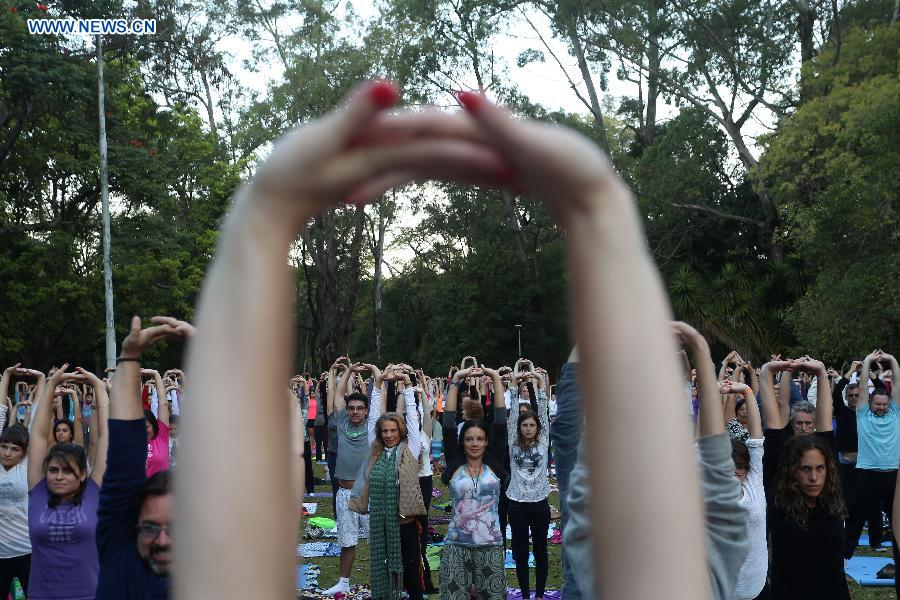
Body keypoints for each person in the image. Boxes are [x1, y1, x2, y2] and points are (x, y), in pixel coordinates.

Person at [178, 81, 712, 599]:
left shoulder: (490, 453)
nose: (478, 437)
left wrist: (263, 217)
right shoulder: (453, 453)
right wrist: (601, 211)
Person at [95, 316, 190, 599]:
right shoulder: (118, 550)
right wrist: (129, 357)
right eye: (150, 527)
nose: (162, 541)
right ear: (132, 527)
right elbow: (124, 451)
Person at [760, 357, 848, 599]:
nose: (814, 477)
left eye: (820, 469)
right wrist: (767, 373)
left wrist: (821, 374)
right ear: (791, 472)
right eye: (805, 469)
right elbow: (774, 424)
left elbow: (826, 428)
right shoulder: (779, 498)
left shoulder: (831, 496)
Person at [26, 364, 109, 600]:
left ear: (83, 474)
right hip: (42, 595)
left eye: (67, 471)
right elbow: (39, 436)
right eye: (53, 470)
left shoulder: (93, 491)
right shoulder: (39, 491)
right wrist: (51, 385)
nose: (58, 476)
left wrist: (99, 388)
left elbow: (104, 437)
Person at [349, 365, 425, 600]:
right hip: (381, 523)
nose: (389, 435)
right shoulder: (376, 451)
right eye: (385, 431)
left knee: (412, 574)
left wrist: (409, 386)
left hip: (405, 524)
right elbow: (374, 417)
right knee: (383, 570)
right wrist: (378, 384)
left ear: (400, 432)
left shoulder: (410, 450)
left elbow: (413, 419)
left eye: (393, 431)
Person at [440, 364, 507, 599]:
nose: (475, 443)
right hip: (457, 545)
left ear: (487, 442)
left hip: (491, 546)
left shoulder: (495, 464)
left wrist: (496, 378)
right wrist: (455, 381)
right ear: (463, 442)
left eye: (480, 439)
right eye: (469, 439)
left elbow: (500, 421)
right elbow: (448, 425)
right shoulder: (455, 463)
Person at [321, 363, 382, 596]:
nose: (355, 411)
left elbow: (377, 395)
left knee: (376, 542)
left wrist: (373, 370)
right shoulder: (343, 424)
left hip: (368, 494)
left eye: (359, 408)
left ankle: (379, 581)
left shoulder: (373, 426)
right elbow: (337, 395)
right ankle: (343, 583)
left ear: (366, 411)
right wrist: (347, 371)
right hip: (344, 493)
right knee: (347, 542)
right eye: (351, 408)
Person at [842, 350, 899, 593]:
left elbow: (897, 383)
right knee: (856, 518)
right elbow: (864, 391)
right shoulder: (863, 413)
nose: (881, 407)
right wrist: (866, 362)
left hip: (892, 474)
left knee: (897, 523)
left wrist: (892, 361)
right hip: (867, 473)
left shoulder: (895, 413)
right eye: (878, 404)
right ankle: (842, 557)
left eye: (884, 404)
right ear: (871, 404)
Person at [505, 359, 551, 600]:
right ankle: (524, 595)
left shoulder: (543, 442)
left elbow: (542, 408)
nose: (528, 428)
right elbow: (513, 414)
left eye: (532, 425)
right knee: (521, 554)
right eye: (525, 425)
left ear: (537, 427)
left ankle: (540, 595)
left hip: (540, 505)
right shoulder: (513, 442)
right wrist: (514, 381)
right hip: (518, 505)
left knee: (541, 552)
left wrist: (537, 379)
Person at [0, 365, 31, 598]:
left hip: (27, 549)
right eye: (3, 446)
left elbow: (39, 422)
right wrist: (8, 376)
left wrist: (44, 382)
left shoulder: (27, 468)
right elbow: (0, 413)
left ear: (23, 452)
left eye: (14, 449)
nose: (8, 452)